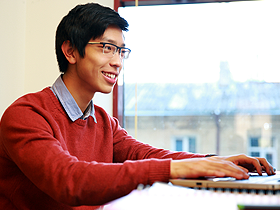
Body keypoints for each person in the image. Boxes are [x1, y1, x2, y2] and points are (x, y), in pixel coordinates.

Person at [0, 3, 275, 210]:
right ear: (70, 51)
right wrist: (175, 170)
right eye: (106, 48)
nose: (118, 61)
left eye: (121, 51)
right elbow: (69, 179)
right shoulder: (26, 115)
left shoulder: (102, 121)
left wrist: (213, 161)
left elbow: (144, 154)